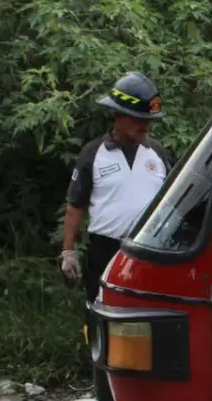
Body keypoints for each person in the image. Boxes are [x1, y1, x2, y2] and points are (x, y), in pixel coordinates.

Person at [59, 71, 172, 301]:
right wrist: (68, 251)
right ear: (118, 115)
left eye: (148, 120)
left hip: (150, 250)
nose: (145, 126)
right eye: (138, 119)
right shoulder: (93, 153)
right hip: (106, 252)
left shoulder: (157, 153)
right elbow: (75, 206)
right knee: (102, 314)